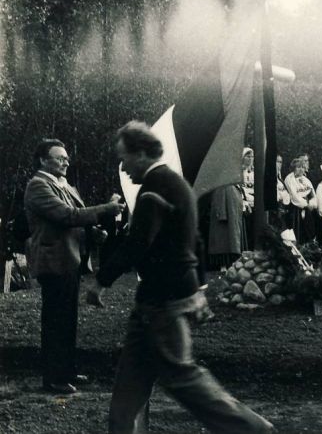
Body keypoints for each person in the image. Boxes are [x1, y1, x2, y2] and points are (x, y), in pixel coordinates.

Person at [87, 121, 273, 434]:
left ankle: (251, 429)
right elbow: (195, 241)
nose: (123, 167)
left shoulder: (154, 188)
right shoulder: (178, 185)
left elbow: (138, 243)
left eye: (124, 158)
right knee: (129, 387)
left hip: (163, 303)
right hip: (159, 300)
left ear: (141, 153)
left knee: (183, 379)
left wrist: (101, 280)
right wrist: (198, 287)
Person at [24, 139, 124, 394]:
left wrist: (94, 233)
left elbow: (75, 220)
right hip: (54, 260)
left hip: (69, 259)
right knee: (57, 321)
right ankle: (54, 378)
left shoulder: (64, 185)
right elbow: (67, 216)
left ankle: (65, 372)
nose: (66, 162)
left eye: (66, 158)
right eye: (60, 158)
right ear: (43, 160)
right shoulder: (38, 185)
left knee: (67, 319)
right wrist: (107, 209)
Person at [284, 158, 317, 243]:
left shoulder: (306, 180)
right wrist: (305, 204)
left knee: (309, 229)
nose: (301, 169)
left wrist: (312, 203)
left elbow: (312, 193)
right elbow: (294, 195)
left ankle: (309, 245)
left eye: (302, 167)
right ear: (293, 168)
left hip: (307, 207)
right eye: (298, 167)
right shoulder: (289, 179)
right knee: (297, 230)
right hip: (295, 208)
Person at [241, 147, 255, 250]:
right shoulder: (239, 172)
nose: (250, 159)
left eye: (252, 156)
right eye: (248, 156)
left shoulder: (254, 172)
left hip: (255, 203)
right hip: (245, 205)